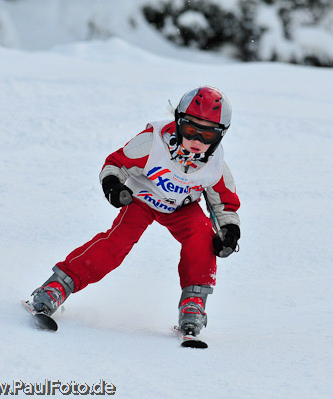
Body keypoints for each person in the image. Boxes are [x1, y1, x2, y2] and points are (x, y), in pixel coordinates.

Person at [29, 86, 241, 336]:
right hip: (142, 198)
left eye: (207, 136)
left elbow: (224, 202)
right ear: (178, 122)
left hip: (182, 208)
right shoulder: (153, 143)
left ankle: (193, 304)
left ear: (220, 136)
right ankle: (57, 287)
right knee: (116, 244)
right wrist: (113, 184)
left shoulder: (215, 165)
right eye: (191, 130)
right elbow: (116, 163)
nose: (197, 141)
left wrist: (229, 229)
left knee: (203, 238)